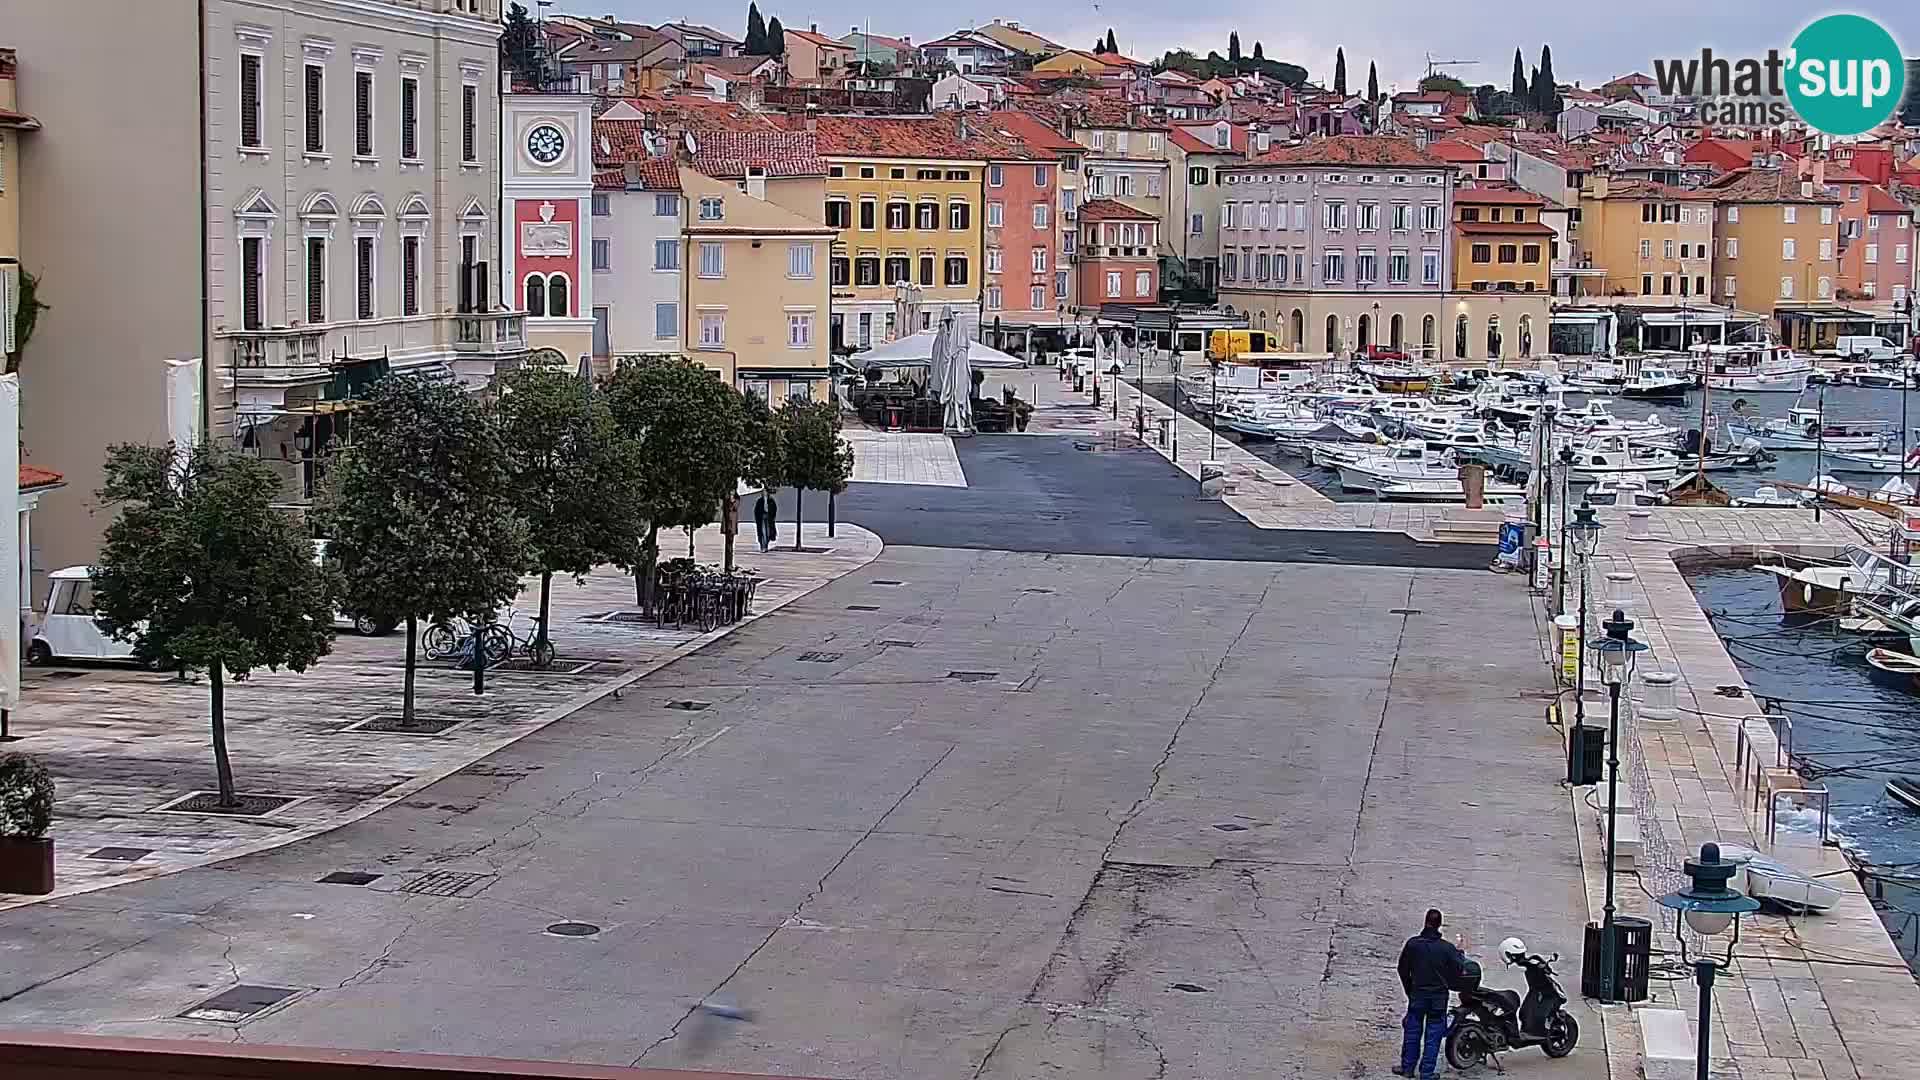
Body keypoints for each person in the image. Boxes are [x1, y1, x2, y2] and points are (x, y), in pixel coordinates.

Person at [1396, 908, 1466, 1079]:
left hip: (1417, 996)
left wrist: (1410, 991)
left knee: (1412, 1033)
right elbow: (1459, 970)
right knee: (1433, 1037)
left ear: (1425, 922)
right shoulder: (1447, 949)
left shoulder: (1413, 944)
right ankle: (1426, 1074)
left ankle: (1407, 1068)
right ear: (1439, 925)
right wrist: (1460, 953)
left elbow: (1402, 969)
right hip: (1437, 999)